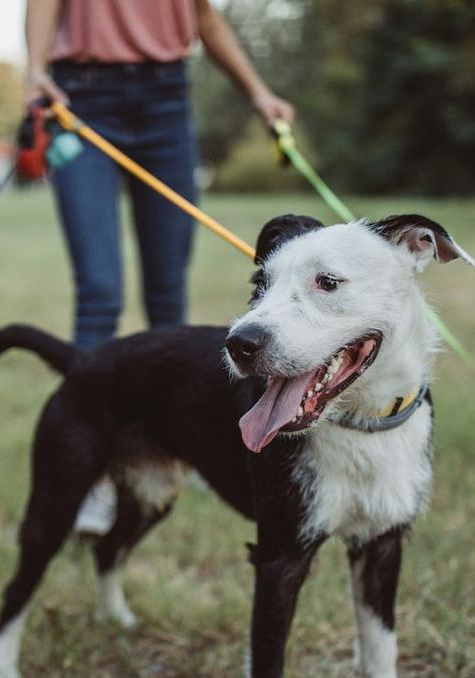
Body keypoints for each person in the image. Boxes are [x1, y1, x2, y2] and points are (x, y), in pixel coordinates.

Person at [25, 0, 295, 534]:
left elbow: (205, 19)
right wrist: (34, 69)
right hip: (80, 98)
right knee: (100, 291)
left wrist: (258, 93)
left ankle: (177, 445)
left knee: (168, 294)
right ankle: (93, 473)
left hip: (167, 99)